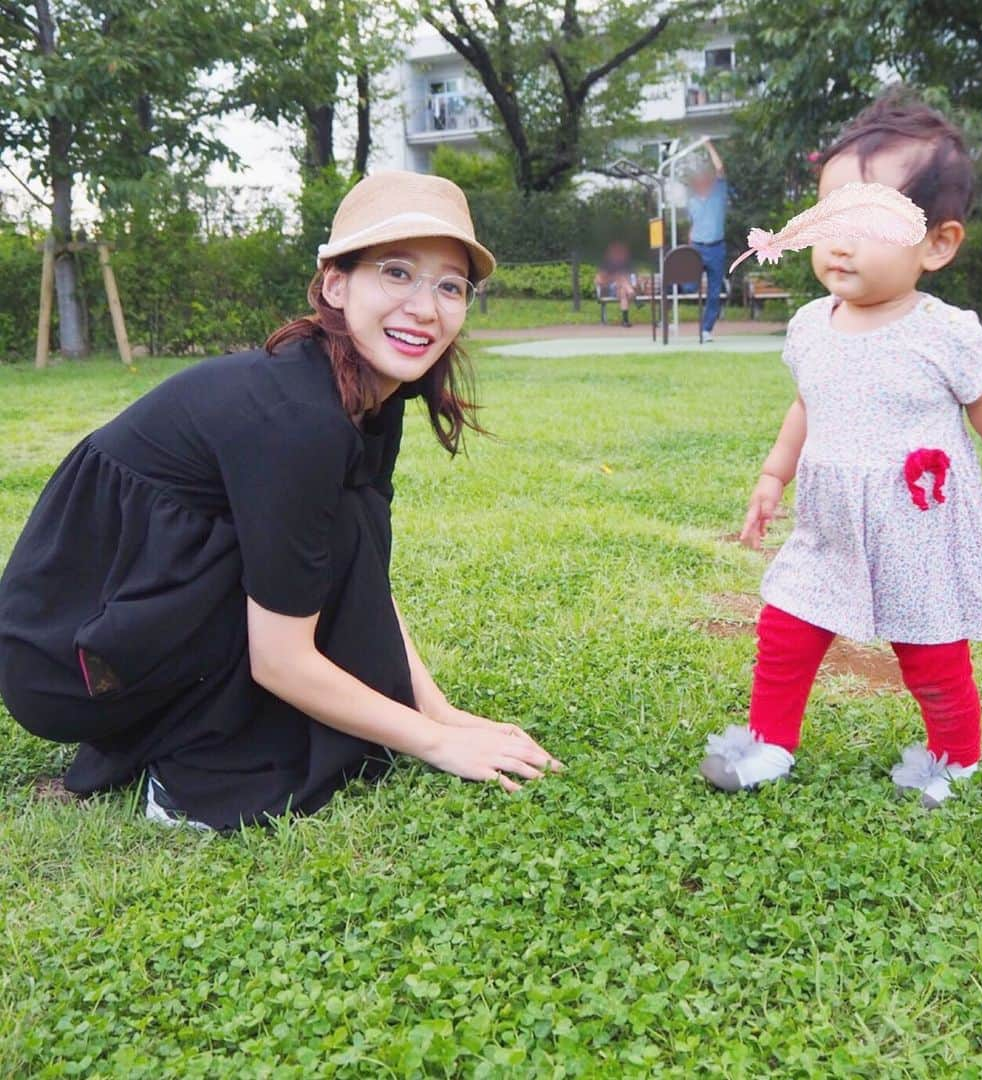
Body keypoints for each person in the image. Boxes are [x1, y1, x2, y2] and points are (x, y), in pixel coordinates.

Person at [0, 171, 562, 831]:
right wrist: (437, 744)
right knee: (305, 654)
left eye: (449, 285)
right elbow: (281, 659)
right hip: (69, 658)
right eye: (397, 272)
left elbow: (362, 576)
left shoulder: (368, 399)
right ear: (335, 283)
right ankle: (193, 780)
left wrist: (439, 711)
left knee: (344, 528)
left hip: (124, 623)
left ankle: (187, 730)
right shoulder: (299, 416)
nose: (425, 307)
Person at [700, 90, 982, 808]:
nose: (840, 240)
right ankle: (770, 741)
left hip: (916, 530)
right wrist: (773, 476)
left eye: (871, 222)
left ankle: (953, 757)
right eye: (830, 217)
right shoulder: (811, 324)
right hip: (829, 522)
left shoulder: (946, 333)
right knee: (785, 627)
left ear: (937, 243)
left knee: (929, 657)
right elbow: (808, 404)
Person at [686, 139, 728, 341]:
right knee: (688, 287)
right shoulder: (692, 201)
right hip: (697, 248)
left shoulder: (718, 193)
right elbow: (693, 225)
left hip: (716, 248)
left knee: (713, 292)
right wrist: (688, 247)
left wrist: (709, 145)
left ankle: (706, 329)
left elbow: (720, 168)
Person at [594, 240, 637, 327]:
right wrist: (612, 278)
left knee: (623, 291)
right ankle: (630, 292)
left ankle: (625, 321)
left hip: (621, 291)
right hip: (610, 291)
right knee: (620, 279)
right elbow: (597, 281)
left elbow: (635, 281)